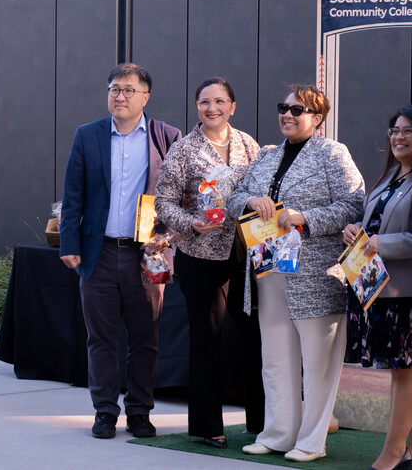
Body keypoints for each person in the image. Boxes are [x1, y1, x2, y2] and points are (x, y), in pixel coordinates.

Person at [227, 84, 364, 463]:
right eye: (282, 107)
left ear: (318, 118)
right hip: (268, 267)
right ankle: (278, 433)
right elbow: (234, 196)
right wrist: (249, 201)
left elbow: (355, 202)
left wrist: (306, 218)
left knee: (317, 360)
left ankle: (311, 440)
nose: (287, 114)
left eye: (297, 110)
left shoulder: (332, 153)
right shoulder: (267, 155)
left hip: (316, 272)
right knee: (274, 356)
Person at [59, 63, 182, 440]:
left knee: (146, 337)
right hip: (98, 253)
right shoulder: (88, 135)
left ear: (146, 97)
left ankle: (140, 412)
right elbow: (73, 194)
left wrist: (171, 236)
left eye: (129, 90)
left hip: (147, 254)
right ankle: (105, 412)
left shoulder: (168, 137)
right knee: (101, 338)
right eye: (114, 88)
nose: (120, 96)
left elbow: (180, 195)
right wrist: (69, 243)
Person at [154, 77, 264, 448]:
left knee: (255, 336)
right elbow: (163, 201)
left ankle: (263, 422)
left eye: (220, 101)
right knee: (206, 339)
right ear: (196, 107)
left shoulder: (250, 145)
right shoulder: (184, 149)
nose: (212, 108)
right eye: (204, 102)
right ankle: (206, 426)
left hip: (245, 252)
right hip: (200, 255)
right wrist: (190, 224)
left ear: (233, 105)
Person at [343, 105, 412, 470]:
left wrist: (379, 244)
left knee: (410, 369)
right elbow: (377, 221)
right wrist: (356, 230)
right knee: (409, 370)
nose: (398, 137)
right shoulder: (391, 176)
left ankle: (393, 453)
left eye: (408, 131)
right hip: (381, 286)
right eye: (394, 131)